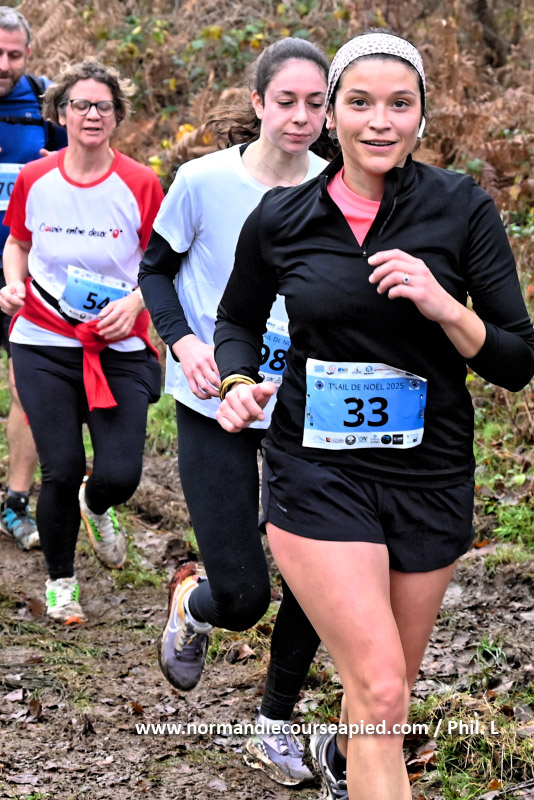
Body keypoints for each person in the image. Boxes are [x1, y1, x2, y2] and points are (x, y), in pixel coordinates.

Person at [214, 29, 534, 800]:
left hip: (430, 476)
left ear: (422, 115)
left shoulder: (461, 208)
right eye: (359, 103)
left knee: (380, 701)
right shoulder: (283, 217)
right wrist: (237, 381)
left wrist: (444, 306)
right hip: (317, 471)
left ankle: (350, 769)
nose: (380, 121)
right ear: (331, 115)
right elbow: (237, 320)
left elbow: (516, 361)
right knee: (384, 689)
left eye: (400, 104)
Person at [139, 38, 331, 786]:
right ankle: (195, 603)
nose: (301, 117)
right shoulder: (203, 181)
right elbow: (155, 271)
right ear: (257, 103)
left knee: (321, 574)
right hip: (213, 398)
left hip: (304, 408)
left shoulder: (340, 186)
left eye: (315, 103)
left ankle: (274, 725)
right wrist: (185, 342)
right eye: (286, 101)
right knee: (246, 597)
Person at [0, 59, 163, 624]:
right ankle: (61, 584)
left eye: (103, 106)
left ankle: (96, 505)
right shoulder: (35, 178)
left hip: (118, 344)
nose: (92, 114)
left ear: (117, 116)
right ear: (60, 112)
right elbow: (18, 243)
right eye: (80, 105)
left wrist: (136, 304)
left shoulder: (141, 183)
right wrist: (13, 283)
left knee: (119, 474)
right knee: (62, 467)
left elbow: (163, 265)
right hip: (43, 339)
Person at [0, 6, 67, 551]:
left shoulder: (46, 104)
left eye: (14, 55)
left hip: (23, 274)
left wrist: (62, 162)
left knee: (27, 390)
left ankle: (15, 504)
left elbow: (88, 170)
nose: (4, 64)